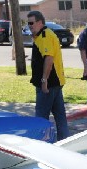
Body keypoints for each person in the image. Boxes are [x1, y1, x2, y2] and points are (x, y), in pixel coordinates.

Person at [27, 11, 70, 141]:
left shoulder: (45, 36)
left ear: (40, 22)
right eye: (27, 23)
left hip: (48, 84)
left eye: (31, 23)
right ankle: (65, 141)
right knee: (60, 116)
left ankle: (42, 144)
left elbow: (49, 59)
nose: (29, 26)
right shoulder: (43, 35)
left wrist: (44, 80)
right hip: (55, 83)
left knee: (41, 117)